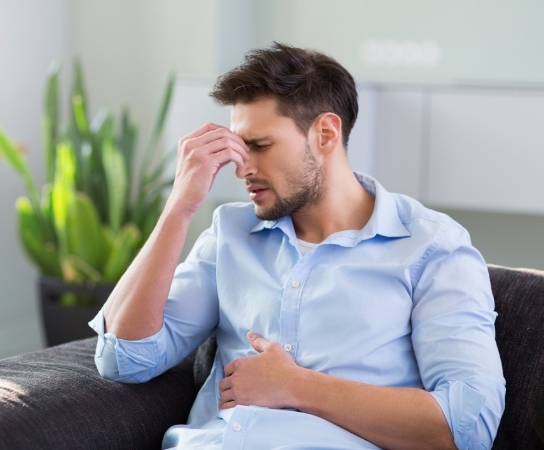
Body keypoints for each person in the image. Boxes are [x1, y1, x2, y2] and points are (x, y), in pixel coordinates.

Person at [90, 42, 505, 450]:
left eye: (260, 145)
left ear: (325, 133)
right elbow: (125, 359)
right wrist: (179, 208)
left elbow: (466, 427)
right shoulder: (229, 233)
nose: (241, 167)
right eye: (237, 146)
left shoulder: (431, 247)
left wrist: (295, 386)